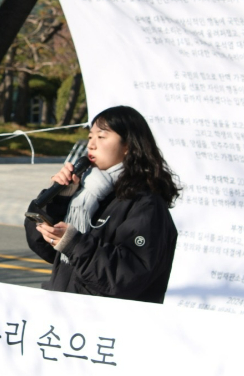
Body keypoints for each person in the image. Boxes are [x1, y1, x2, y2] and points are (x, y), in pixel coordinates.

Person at [25, 106, 180, 303]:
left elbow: (126, 277)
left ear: (129, 146)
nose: (92, 145)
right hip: (66, 313)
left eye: (102, 136)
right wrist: (58, 199)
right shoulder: (86, 191)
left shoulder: (145, 204)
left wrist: (74, 244)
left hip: (105, 325)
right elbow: (44, 248)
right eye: (90, 137)